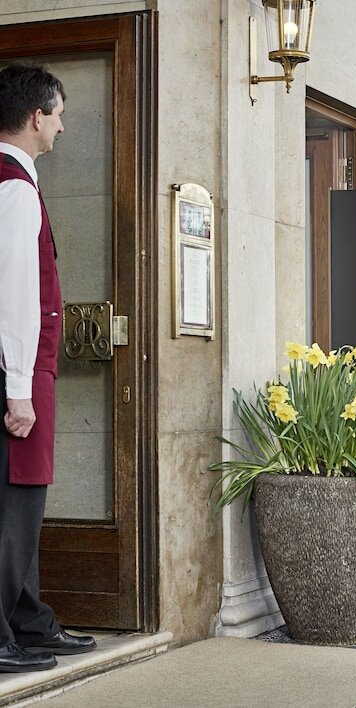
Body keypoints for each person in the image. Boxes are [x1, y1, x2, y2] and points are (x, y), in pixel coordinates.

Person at [0, 62, 96, 673]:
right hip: (16, 374)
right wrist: (17, 391)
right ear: (37, 117)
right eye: (58, 114)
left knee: (23, 504)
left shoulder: (16, 180)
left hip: (24, 371)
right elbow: (14, 294)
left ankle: (28, 621)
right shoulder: (13, 185)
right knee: (13, 507)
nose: (62, 126)